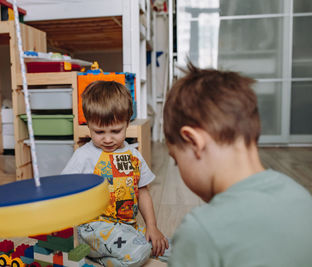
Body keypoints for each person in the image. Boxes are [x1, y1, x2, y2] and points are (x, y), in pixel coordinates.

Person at [163, 62, 312, 267]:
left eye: (175, 160)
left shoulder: (201, 231)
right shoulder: (301, 197)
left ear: (194, 142)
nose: (178, 168)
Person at [62, 80, 169, 266]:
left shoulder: (133, 155)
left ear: (127, 123)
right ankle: (104, 255)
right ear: (88, 125)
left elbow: (143, 191)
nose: (108, 138)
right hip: (93, 228)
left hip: (128, 226)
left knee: (167, 248)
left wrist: (152, 227)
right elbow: (63, 188)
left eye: (116, 131)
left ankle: (108, 258)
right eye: (99, 131)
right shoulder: (84, 156)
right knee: (140, 252)